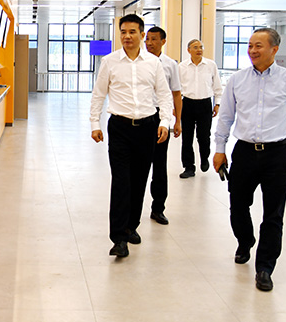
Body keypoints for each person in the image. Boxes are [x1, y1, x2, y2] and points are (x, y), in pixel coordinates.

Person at [213, 28, 286, 292]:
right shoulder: (237, 80)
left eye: (259, 46)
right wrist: (219, 148)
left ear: (274, 49)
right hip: (244, 151)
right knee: (238, 205)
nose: (252, 51)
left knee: (273, 213)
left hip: (277, 154)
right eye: (250, 45)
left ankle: (265, 267)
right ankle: (245, 240)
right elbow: (226, 117)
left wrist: (278, 135)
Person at [90, 14, 173, 258]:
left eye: (132, 32)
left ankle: (130, 226)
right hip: (120, 128)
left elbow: (164, 95)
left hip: (147, 128)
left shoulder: (153, 63)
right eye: (123, 32)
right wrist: (95, 123)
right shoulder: (109, 62)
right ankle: (118, 238)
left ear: (142, 34)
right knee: (121, 182)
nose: (127, 36)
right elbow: (98, 94)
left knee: (139, 181)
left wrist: (165, 122)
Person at [144, 26, 182, 225]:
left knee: (159, 165)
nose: (149, 43)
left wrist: (178, 121)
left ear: (163, 42)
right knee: (138, 166)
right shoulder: (138, 61)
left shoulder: (170, 64)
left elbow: (176, 93)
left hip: (161, 117)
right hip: (141, 114)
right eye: (147, 39)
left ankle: (158, 208)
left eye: (153, 39)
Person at [178, 39, 223, 178]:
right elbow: (177, 89)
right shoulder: (182, 67)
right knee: (187, 138)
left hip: (205, 104)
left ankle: (204, 158)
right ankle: (189, 167)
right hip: (187, 104)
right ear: (188, 50)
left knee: (204, 136)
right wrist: (176, 107)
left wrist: (217, 103)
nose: (199, 50)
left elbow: (217, 86)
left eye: (201, 47)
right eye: (195, 47)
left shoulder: (210, 65)